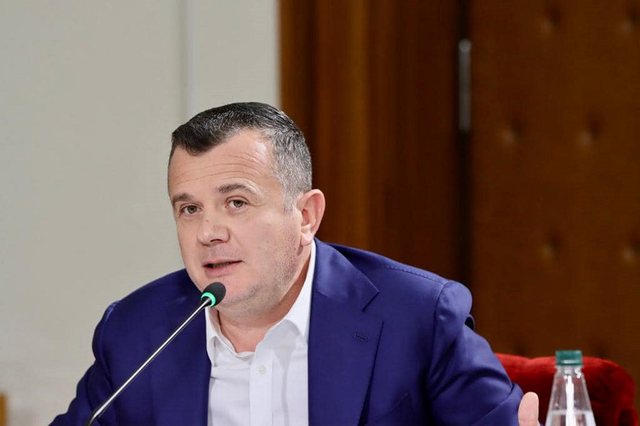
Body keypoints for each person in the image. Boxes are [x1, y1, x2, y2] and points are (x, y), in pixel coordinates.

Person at [52, 102, 539, 425]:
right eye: (189, 209)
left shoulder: (416, 316)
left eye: (236, 203)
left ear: (306, 216)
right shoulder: (137, 332)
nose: (208, 232)